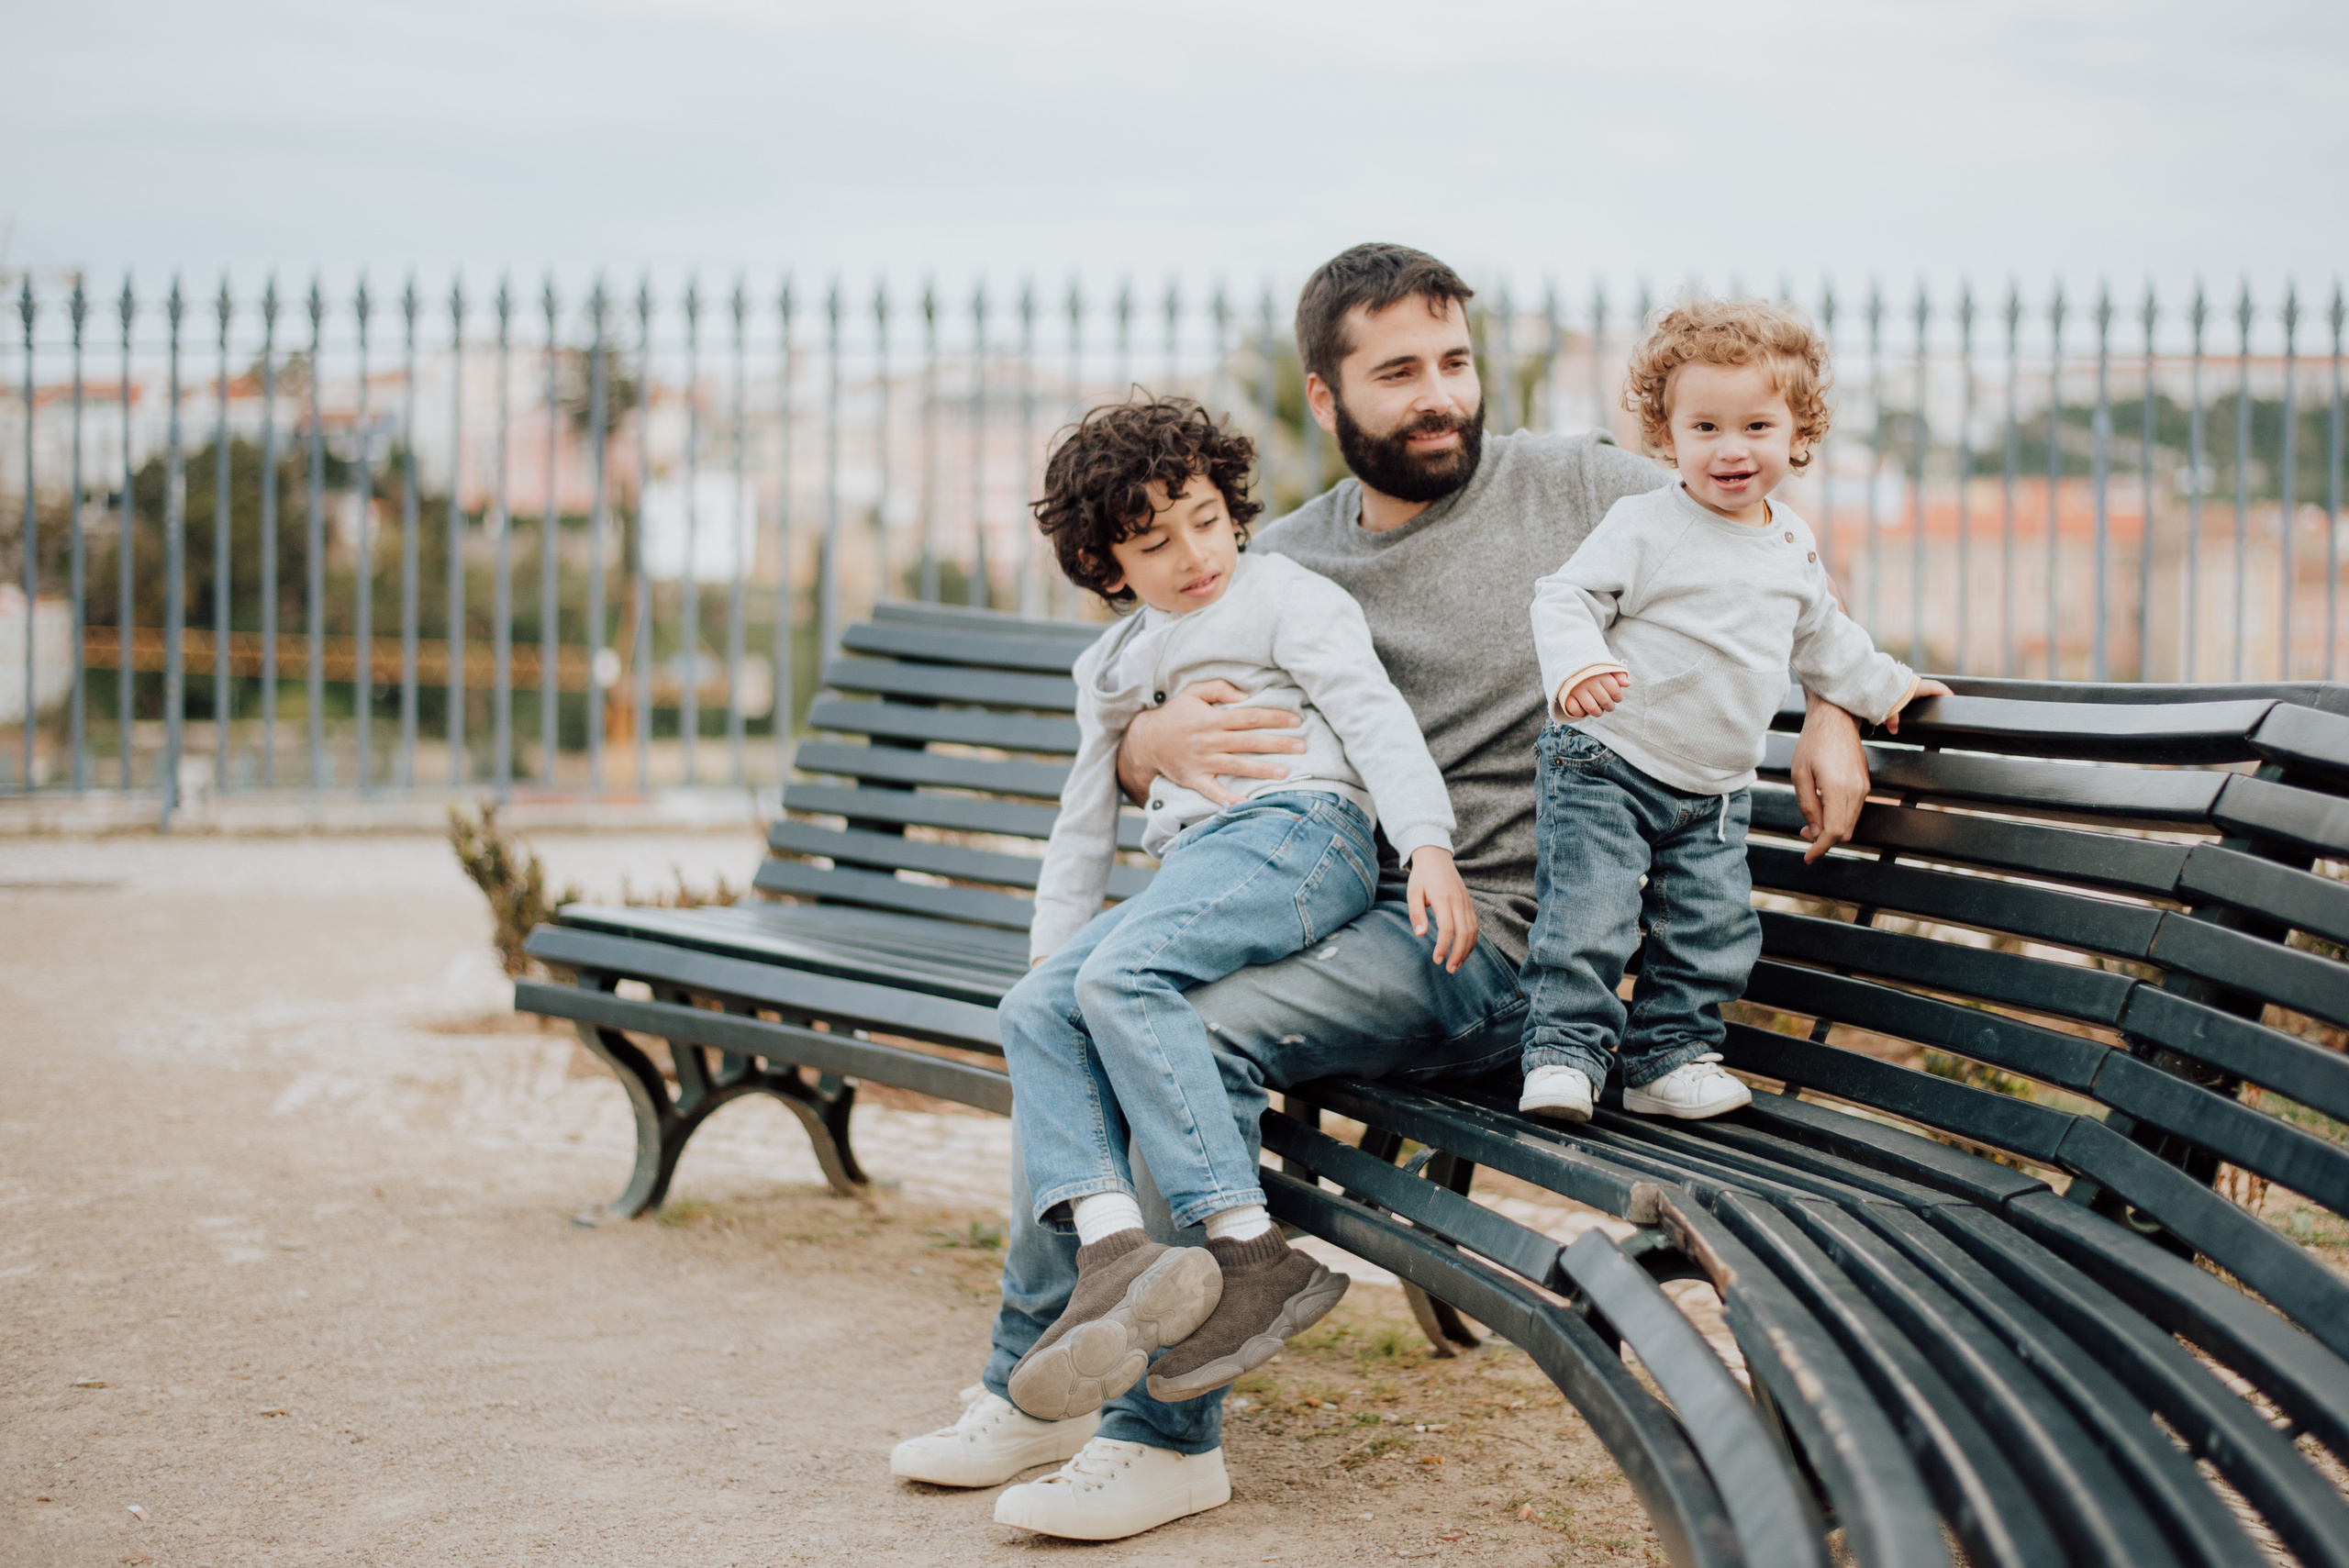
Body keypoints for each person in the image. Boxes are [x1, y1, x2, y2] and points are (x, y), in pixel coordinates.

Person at [891, 243, 1886, 1542]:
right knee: (1084, 999)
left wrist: (1832, 710)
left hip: (1513, 944)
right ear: (1325, 397)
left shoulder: (1577, 482)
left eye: (1456, 362)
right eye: (1399, 370)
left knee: (1180, 1023)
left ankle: (1163, 1436)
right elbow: (1142, 689)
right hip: (1353, 908)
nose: (1440, 395)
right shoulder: (1284, 558)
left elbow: (1771, 544)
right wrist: (1147, 749)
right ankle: (1037, 1385)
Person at [1518, 297, 1949, 1125]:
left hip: (1713, 790)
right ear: (1666, 435)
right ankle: (1564, 1057)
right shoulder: (1647, 524)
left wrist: (1888, 688)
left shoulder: (1792, 544)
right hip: (1607, 761)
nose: (1731, 448)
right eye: (1705, 427)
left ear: (1799, 435)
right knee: (1590, 917)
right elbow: (1564, 596)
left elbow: (1825, 636)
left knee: (1710, 932)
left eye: (1756, 425)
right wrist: (1579, 663)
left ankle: (1668, 1060)